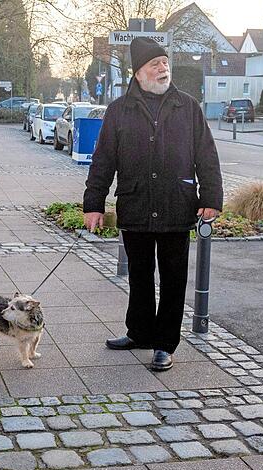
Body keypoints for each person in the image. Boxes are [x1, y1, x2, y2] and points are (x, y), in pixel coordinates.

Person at [83, 37, 223, 371]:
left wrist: (212, 198)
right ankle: (140, 332)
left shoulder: (187, 107)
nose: (162, 69)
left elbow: (207, 156)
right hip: (136, 204)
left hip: (177, 205)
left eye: (164, 63)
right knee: (140, 277)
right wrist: (94, 204)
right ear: (139, 73)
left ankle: (165, 344)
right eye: (154, 65)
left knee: (173, 279)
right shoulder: (120, 109)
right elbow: (102, 160)